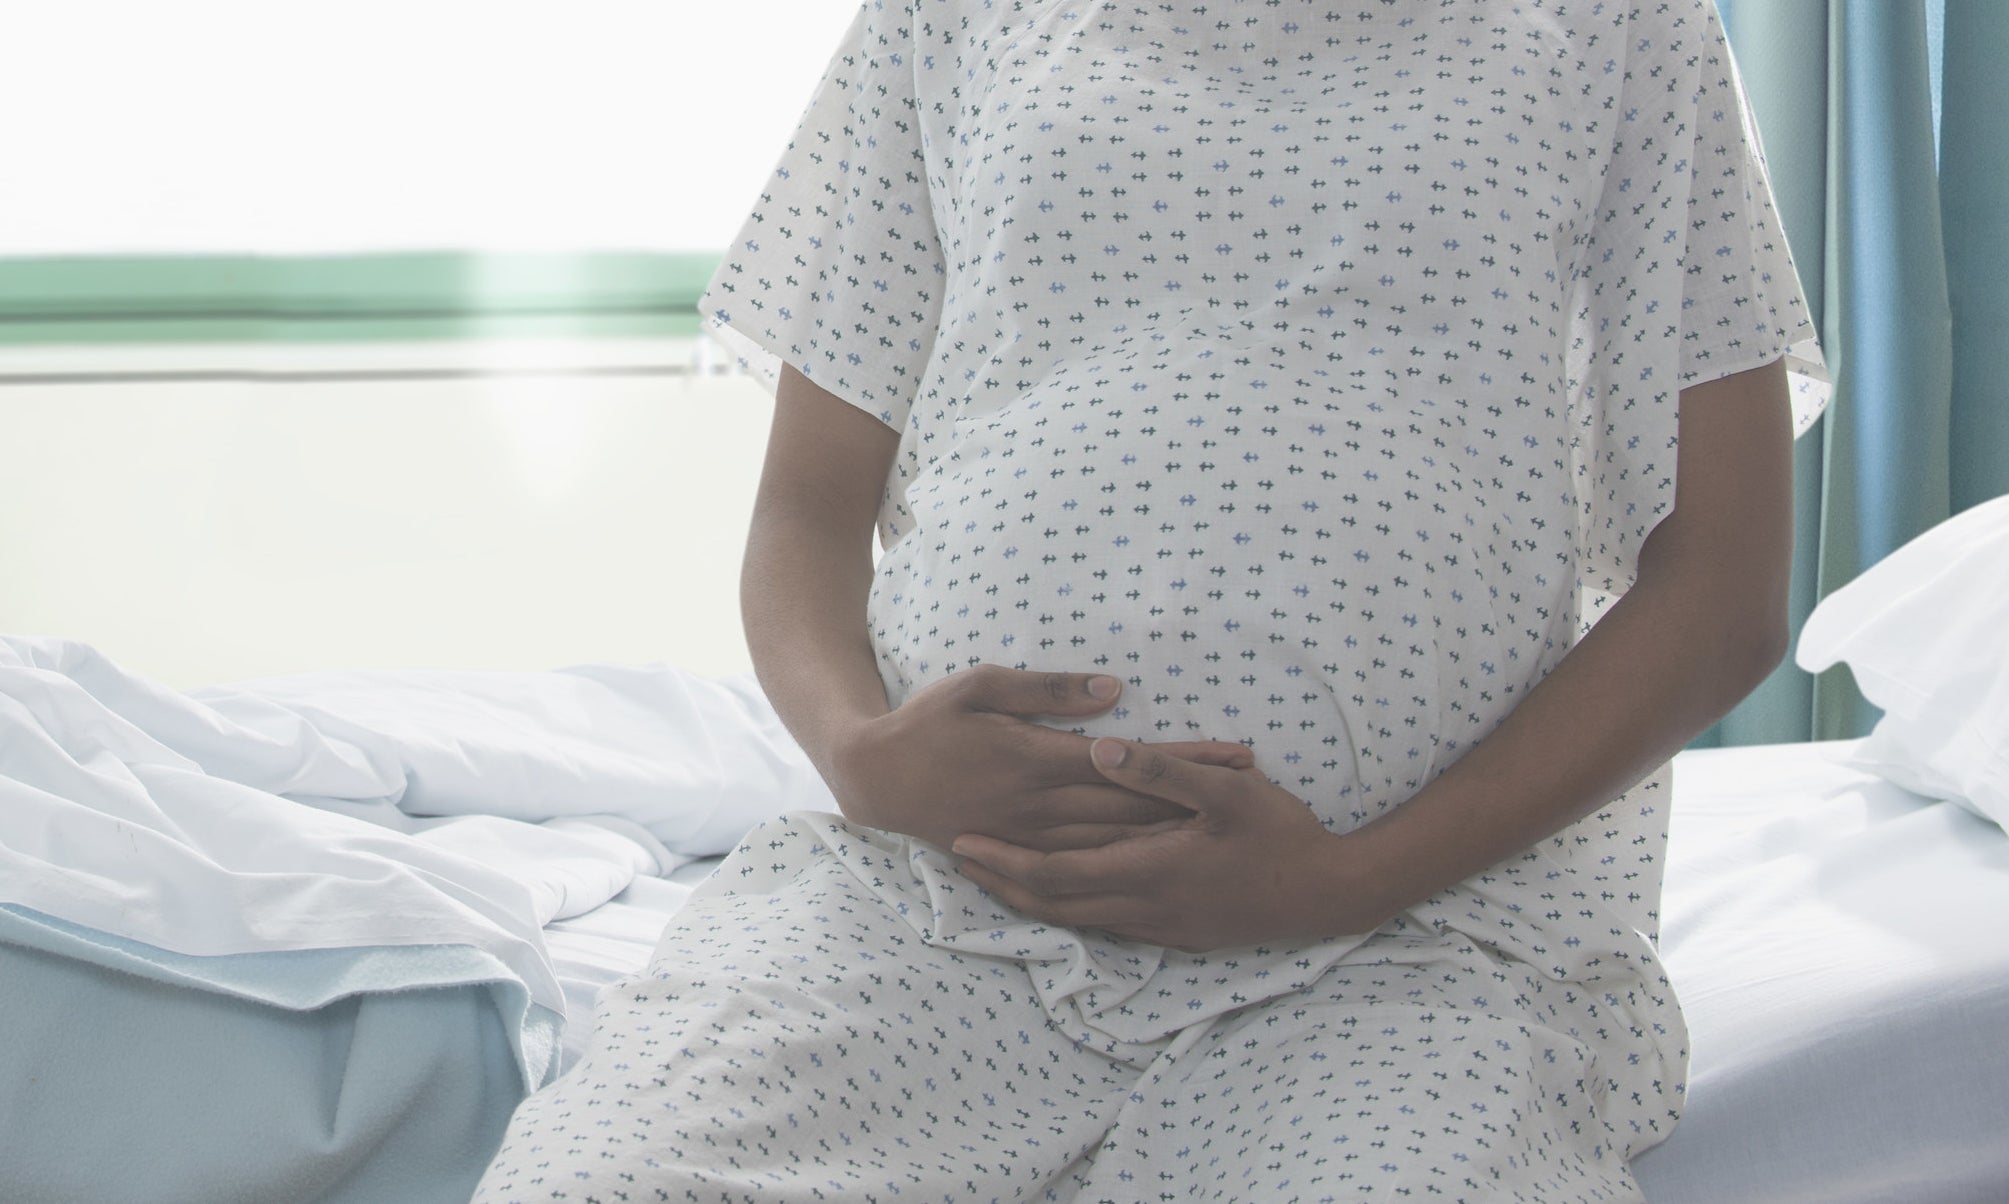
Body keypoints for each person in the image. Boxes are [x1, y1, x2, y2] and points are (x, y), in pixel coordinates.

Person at [475, 0, 1824, 1198]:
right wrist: (857, 754)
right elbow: (806, 511)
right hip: (927, 918)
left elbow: (1720, 585)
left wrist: (1343, 879)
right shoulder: (946, 18)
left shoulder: (1617, 27)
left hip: (1405, 949)